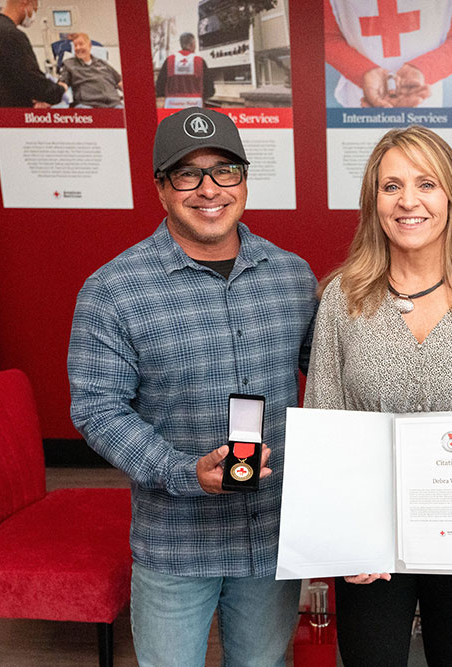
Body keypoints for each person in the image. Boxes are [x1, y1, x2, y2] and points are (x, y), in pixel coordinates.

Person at [68, 107, 317, 667]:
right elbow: (97, 409)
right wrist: (183, 472)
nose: (209, 189)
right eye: (187, 174)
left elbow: (332, 382)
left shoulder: (292, 277)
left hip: (272, 535)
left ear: (245, 180)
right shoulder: (113, 290)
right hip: (176, 540)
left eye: (224, 170)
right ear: (162, 188)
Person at [304, 125, 452, 666]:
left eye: (425, 184)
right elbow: (324, 423)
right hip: (370, 540)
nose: (409, 201)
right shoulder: (343, 295)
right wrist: (340, 536)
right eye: (392, 187)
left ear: (450, 194)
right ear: (374, 201)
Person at [324, 0, 452, 108]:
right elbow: (325, 34)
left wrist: (424, 70)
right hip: (361, 99)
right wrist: (361, 71)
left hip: (424, 99)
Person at [0, 0, 67, 107]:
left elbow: (13, 78)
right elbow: (33, 81)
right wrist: (60, 90)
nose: (33, 16)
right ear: (25, 2)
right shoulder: (10, 35)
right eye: (34, 9)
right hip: (12, 114)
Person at [58, 33, 123, 108]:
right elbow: (62, 84)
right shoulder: (69, 64)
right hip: (87, 104)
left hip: (113, 104)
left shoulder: (103, 64)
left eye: (81, 44)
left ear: (89, 45)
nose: (78, 48)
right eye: (75, 45)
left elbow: (120, 82)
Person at [155, 33, 216, 108]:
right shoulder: (200, 61)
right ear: (192, 44)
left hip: (172, 106)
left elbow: (159, 86)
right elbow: (209, 89)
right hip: (195, 106)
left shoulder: (169, 61)